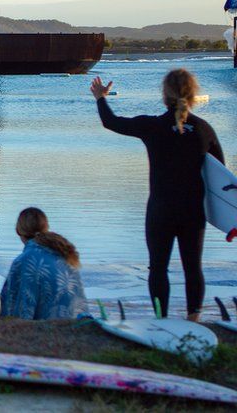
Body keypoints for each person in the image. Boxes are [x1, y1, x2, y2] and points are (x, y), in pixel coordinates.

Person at [92, 70, 224, 321]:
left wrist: (101, 98)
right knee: (192, 267)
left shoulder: (152, 126)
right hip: (193, 212)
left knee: (158, 268)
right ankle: (193, 319)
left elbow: (112, 122)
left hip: (160, 211)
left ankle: (161, 320)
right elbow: (221, 178)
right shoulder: (204, 130)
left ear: (165, 95)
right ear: (193, 94)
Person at [0, 208, 87, 320]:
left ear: (17, 230)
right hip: (75, 323)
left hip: (49, 329)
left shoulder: (24, 261)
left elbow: (13, 307)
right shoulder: (64, 252)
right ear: (46, 228)